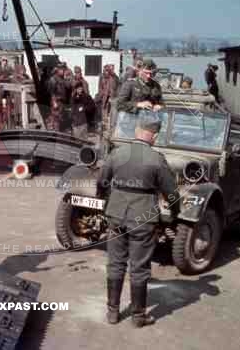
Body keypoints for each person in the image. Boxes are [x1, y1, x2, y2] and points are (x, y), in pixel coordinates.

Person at [97, 113, 180, 327]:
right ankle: (138, 316)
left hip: (116, 215)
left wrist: (106, 202)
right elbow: (171, 192)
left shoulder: (117, 153)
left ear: (136, 131)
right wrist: (174, 214)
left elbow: (102, 182)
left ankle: (113, 313)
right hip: (143, 218)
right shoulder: (156, 159)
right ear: (154, 135)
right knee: (140, 267)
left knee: (115, 263)